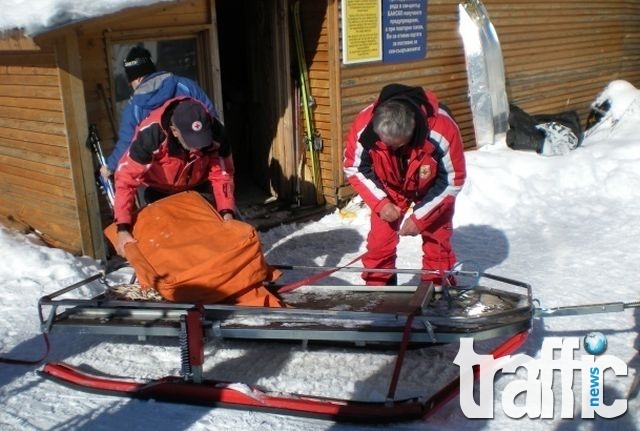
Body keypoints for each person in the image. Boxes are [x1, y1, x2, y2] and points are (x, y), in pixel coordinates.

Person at [343, 83, 466, 287]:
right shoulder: (364, 126)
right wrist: (381, 204)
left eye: (397, 145)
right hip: (388, 188)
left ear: (412, 130)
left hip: (432, 188)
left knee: (437, 245)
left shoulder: (442, 130)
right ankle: (378, 293)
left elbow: (453, 180)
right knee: (379, 244)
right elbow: (353, 167)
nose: (391, 149)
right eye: (386, 144)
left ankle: (437, 290)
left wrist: (420, 218)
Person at [113, 97, 236, 257]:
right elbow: (125, 179)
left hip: (198, 187)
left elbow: (222, 174)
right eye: (192, 141)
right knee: (169, 246)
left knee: (210, 240)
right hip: (159, 190)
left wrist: (226, 210)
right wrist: (122, 227)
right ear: (174, 131)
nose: (198, 146)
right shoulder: (151, 135)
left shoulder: (216, 133)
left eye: (202, 140)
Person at [100, 45, 216, 179]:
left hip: (163, 178)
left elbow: (127, 143)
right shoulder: (185, 85)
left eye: (130, 81)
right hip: (198, 166)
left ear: (137, 79)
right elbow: (211, 114)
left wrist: (110, 167)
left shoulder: (134, 107)